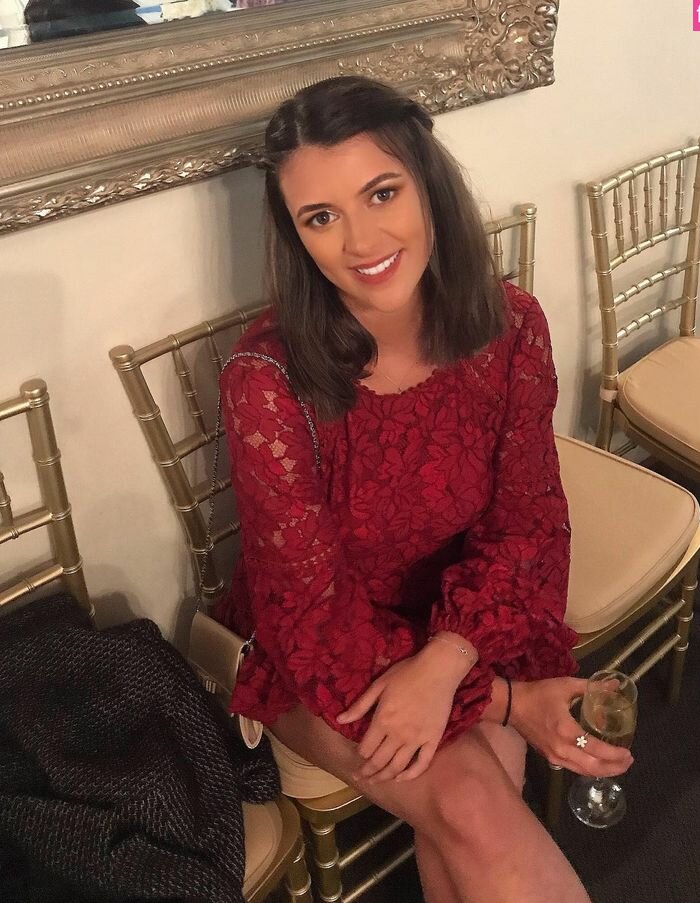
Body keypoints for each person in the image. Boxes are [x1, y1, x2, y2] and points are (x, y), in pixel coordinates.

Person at [215, 75, 632, 903]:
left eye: (382, 193)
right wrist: (505, 701)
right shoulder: (266, 378)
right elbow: (308, 614)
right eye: (320, 217)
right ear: (295, 236)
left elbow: (529, 524)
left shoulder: (512, 325)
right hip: (321, 653)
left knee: (478, 810)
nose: (361, 240)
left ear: (428, 183)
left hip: (461, 615)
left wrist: (450, 659)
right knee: (475, 802)